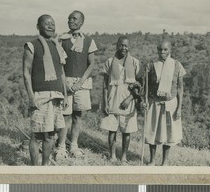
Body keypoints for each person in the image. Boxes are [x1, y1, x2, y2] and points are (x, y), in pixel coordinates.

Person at [23, 14, 68, 165]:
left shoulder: (58, 47)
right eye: (46, 23)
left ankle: (45, 166)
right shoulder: (31, 45)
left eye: (53, 24)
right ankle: (35, 168)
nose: (50, 26)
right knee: (37, 135)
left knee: (51, 135)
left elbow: (62, 73)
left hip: (56, 95)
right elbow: (26, 73)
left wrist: (65, 95)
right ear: (38, 26)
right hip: (40, 96)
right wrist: (31, 97)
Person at [55, 10, 98, 158]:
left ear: (81, 22)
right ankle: (61, 147)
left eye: (74, 19)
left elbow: (91, 64)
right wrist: (64, 82)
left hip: (82, 84)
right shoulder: (61, 39)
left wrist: (80, 82)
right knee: (65, 116)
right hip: (65, 83)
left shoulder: (88, 41)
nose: (70, 21)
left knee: (77, 116)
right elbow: (58, 63)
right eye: (69, 18)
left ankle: (73, 145)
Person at [100, 36, 142, 165]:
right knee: (112, 130)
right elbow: (105, 84)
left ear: (129, 47)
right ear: (117, 45)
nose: (123, 48)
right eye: (121, 45)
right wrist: (105, 102)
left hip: (127, 103)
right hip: (112, 100)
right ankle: (112, 155)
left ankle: (124, 157)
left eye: (126, 45)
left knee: (126, 131)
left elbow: (140, 84)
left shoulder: (135, 62)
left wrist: (130, 99)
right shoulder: (109, 62)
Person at [143, 40, 186, 166]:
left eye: (165, 49)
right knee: (153, 131)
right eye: (160, 49)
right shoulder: (151, 65)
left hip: (171, 104)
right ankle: (152, 160)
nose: (162, 52)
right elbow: (146, 87)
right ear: (157, 49)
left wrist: (179, 108)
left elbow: (180, 88)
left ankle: (165, 161)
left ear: (170, 50)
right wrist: (144, 101)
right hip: (154, 103)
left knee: (168, 132)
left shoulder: (177, 65)